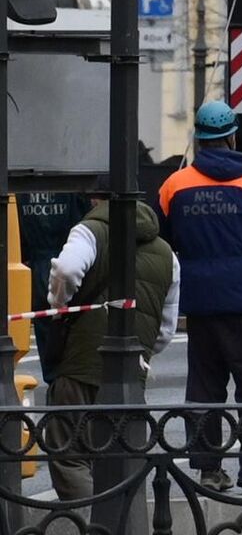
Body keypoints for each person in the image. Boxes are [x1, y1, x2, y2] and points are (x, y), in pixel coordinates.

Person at [158, 99, 242, 492]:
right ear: (232, 137)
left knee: (204, 388)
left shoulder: (174, 185)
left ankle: (209, 471)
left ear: (198, 138)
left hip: (201, 304)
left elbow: (164, 239)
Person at [43, 191, 180, 503]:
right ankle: (120, 523)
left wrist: (58, 304)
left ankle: (91, 522)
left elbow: (66, 270)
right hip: (133, 371)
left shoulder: (89, 230)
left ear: (95, 199)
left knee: (70, 452)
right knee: (120, 459)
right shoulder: (167, 253)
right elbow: (166, 325)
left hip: (81, 361)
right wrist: (142, 350)